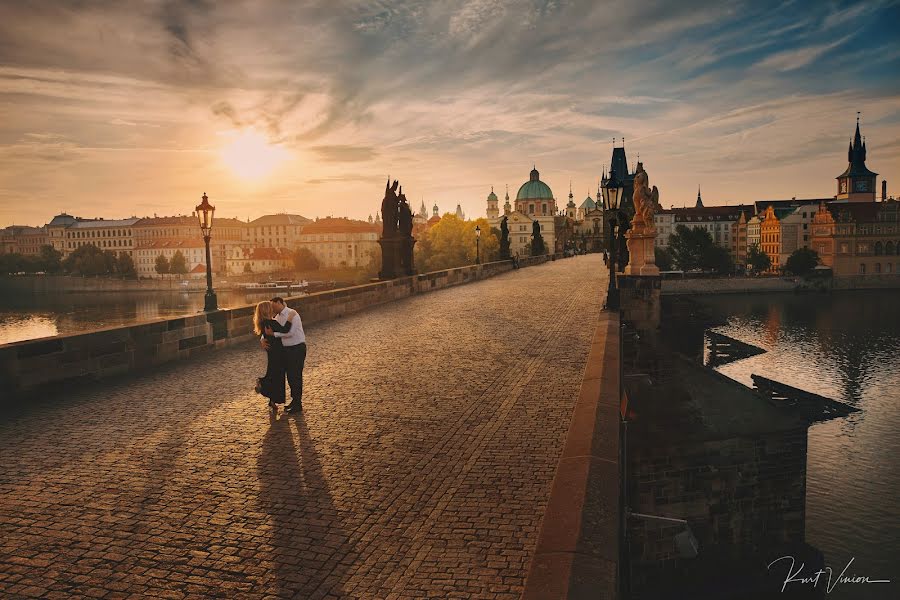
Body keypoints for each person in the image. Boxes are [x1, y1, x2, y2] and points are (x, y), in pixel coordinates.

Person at [264, 297, 306, 414]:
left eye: (273, 305)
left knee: (296, 375)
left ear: (279, 303)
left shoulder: (292, 314)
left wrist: (274, 334)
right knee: (290, 377)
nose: (272, 308)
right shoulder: (276, 317)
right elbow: (268, 330)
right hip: (285, 351)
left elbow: (290, 333)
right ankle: (295, 400)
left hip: (297, 348)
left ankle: (298, 403)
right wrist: (263, 339)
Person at [253, 300, 293, 414]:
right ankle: (262, 382)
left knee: (273, 374)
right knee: (277, 375)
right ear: (267, 310)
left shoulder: (262, 323)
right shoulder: (272, 323)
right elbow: (285, 329)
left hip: (272, 352)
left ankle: (272, 400)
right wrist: (291, 316)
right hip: (277, 353)